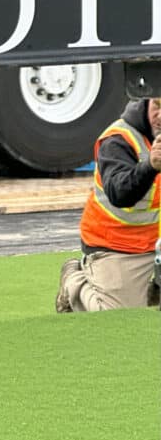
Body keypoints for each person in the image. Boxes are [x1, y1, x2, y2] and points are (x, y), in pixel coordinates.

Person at [56, 98, 161, 312]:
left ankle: (149, 292)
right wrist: (150, 167)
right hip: (116, 244)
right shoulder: (118, 139)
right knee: (119, 316)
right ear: (146, 102)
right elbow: (120, 193)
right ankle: (74, 281)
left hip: (155, 240)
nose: (160, 115)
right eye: (157, 105)